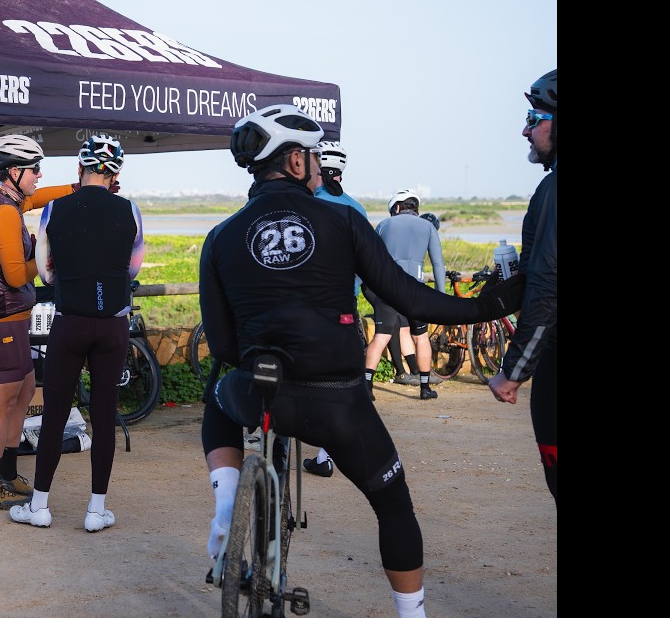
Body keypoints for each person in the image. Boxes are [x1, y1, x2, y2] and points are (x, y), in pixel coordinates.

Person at [198, 104, 522, 617]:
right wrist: (489, 304)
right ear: (298, 164)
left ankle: (225, 505)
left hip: (261, 390)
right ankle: (411, 613)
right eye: (314, 156)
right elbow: (408, 298)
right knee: (393, 506)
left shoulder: (219, 237)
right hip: (338, 404)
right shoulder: (342, 218)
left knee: (219, 390)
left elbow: (219, 342)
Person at [8, 135, 144, 532]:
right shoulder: (130, 209)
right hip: (113, 324)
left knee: (54, 413)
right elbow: (133, 267)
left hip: (69, 320)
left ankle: (40, 506)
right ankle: (95, 511)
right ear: (115, 173)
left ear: (79, 170)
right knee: (104, 416)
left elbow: (45, 270)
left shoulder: (54, 207)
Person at [0, 134, 75, 509]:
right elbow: (15, 276)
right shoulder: (3, 212)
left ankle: (8, 474)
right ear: (14, 172)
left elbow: (40, 197)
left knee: (24, 391)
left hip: (11, 316)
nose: (40, 176)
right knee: (1, 400)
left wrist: (79, 187)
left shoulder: (9, 198)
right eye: (34, 170)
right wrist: (50, 256)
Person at [489, 68, 557, 506]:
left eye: (534, 118)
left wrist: (513, 372)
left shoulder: (553, 189)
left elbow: (548, 288)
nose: (525, 130)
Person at [301, 140, 370, 479]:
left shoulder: (305, 202)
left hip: (305, 303)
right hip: (345, 305)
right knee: (337, 379)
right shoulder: (356, 208)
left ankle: (267, 438)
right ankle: (326, 454)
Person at [361, 190, 446, 400]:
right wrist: (442, 295)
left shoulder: (383, 225)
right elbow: (438, 264)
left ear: (397, 208)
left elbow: (370, 259)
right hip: (414, 291)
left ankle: (367, 387)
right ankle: (425, 388)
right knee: (421, 337)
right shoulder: (428, 227)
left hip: (387, 288)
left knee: (381, 336)